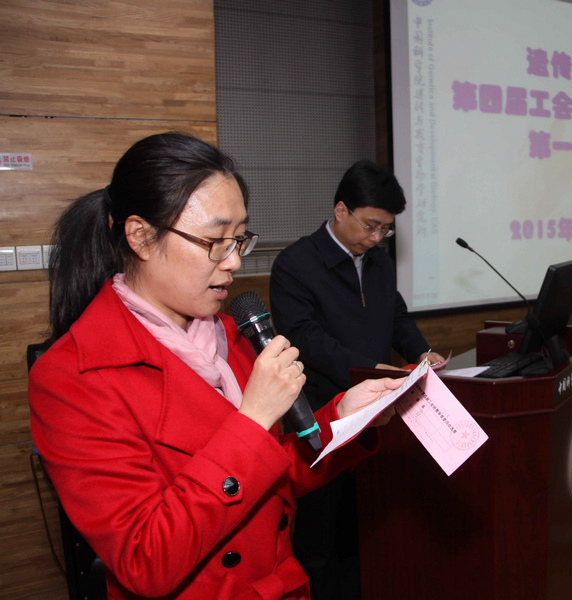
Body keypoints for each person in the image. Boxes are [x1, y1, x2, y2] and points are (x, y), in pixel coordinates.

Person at [28, 133, 404, 600]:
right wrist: (253, 420)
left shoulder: (230, 334)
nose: (234, 261)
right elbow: (146, 558)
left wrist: (342, 418)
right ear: (141, 236)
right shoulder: (73, 376)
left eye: (239, 239)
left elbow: (273, 476)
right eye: (214, 241)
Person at [269, 160, 443, 599]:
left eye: (386, 229)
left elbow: (396, 315)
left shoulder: (378, 262)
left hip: (375, 413)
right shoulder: (295, 264)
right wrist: (368, 368)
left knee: (364, 533)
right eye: (370, 226)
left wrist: (421, 351)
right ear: (341, 210)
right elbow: (305, 338)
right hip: (320, 421)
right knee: (319, 541)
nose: (377, 237)